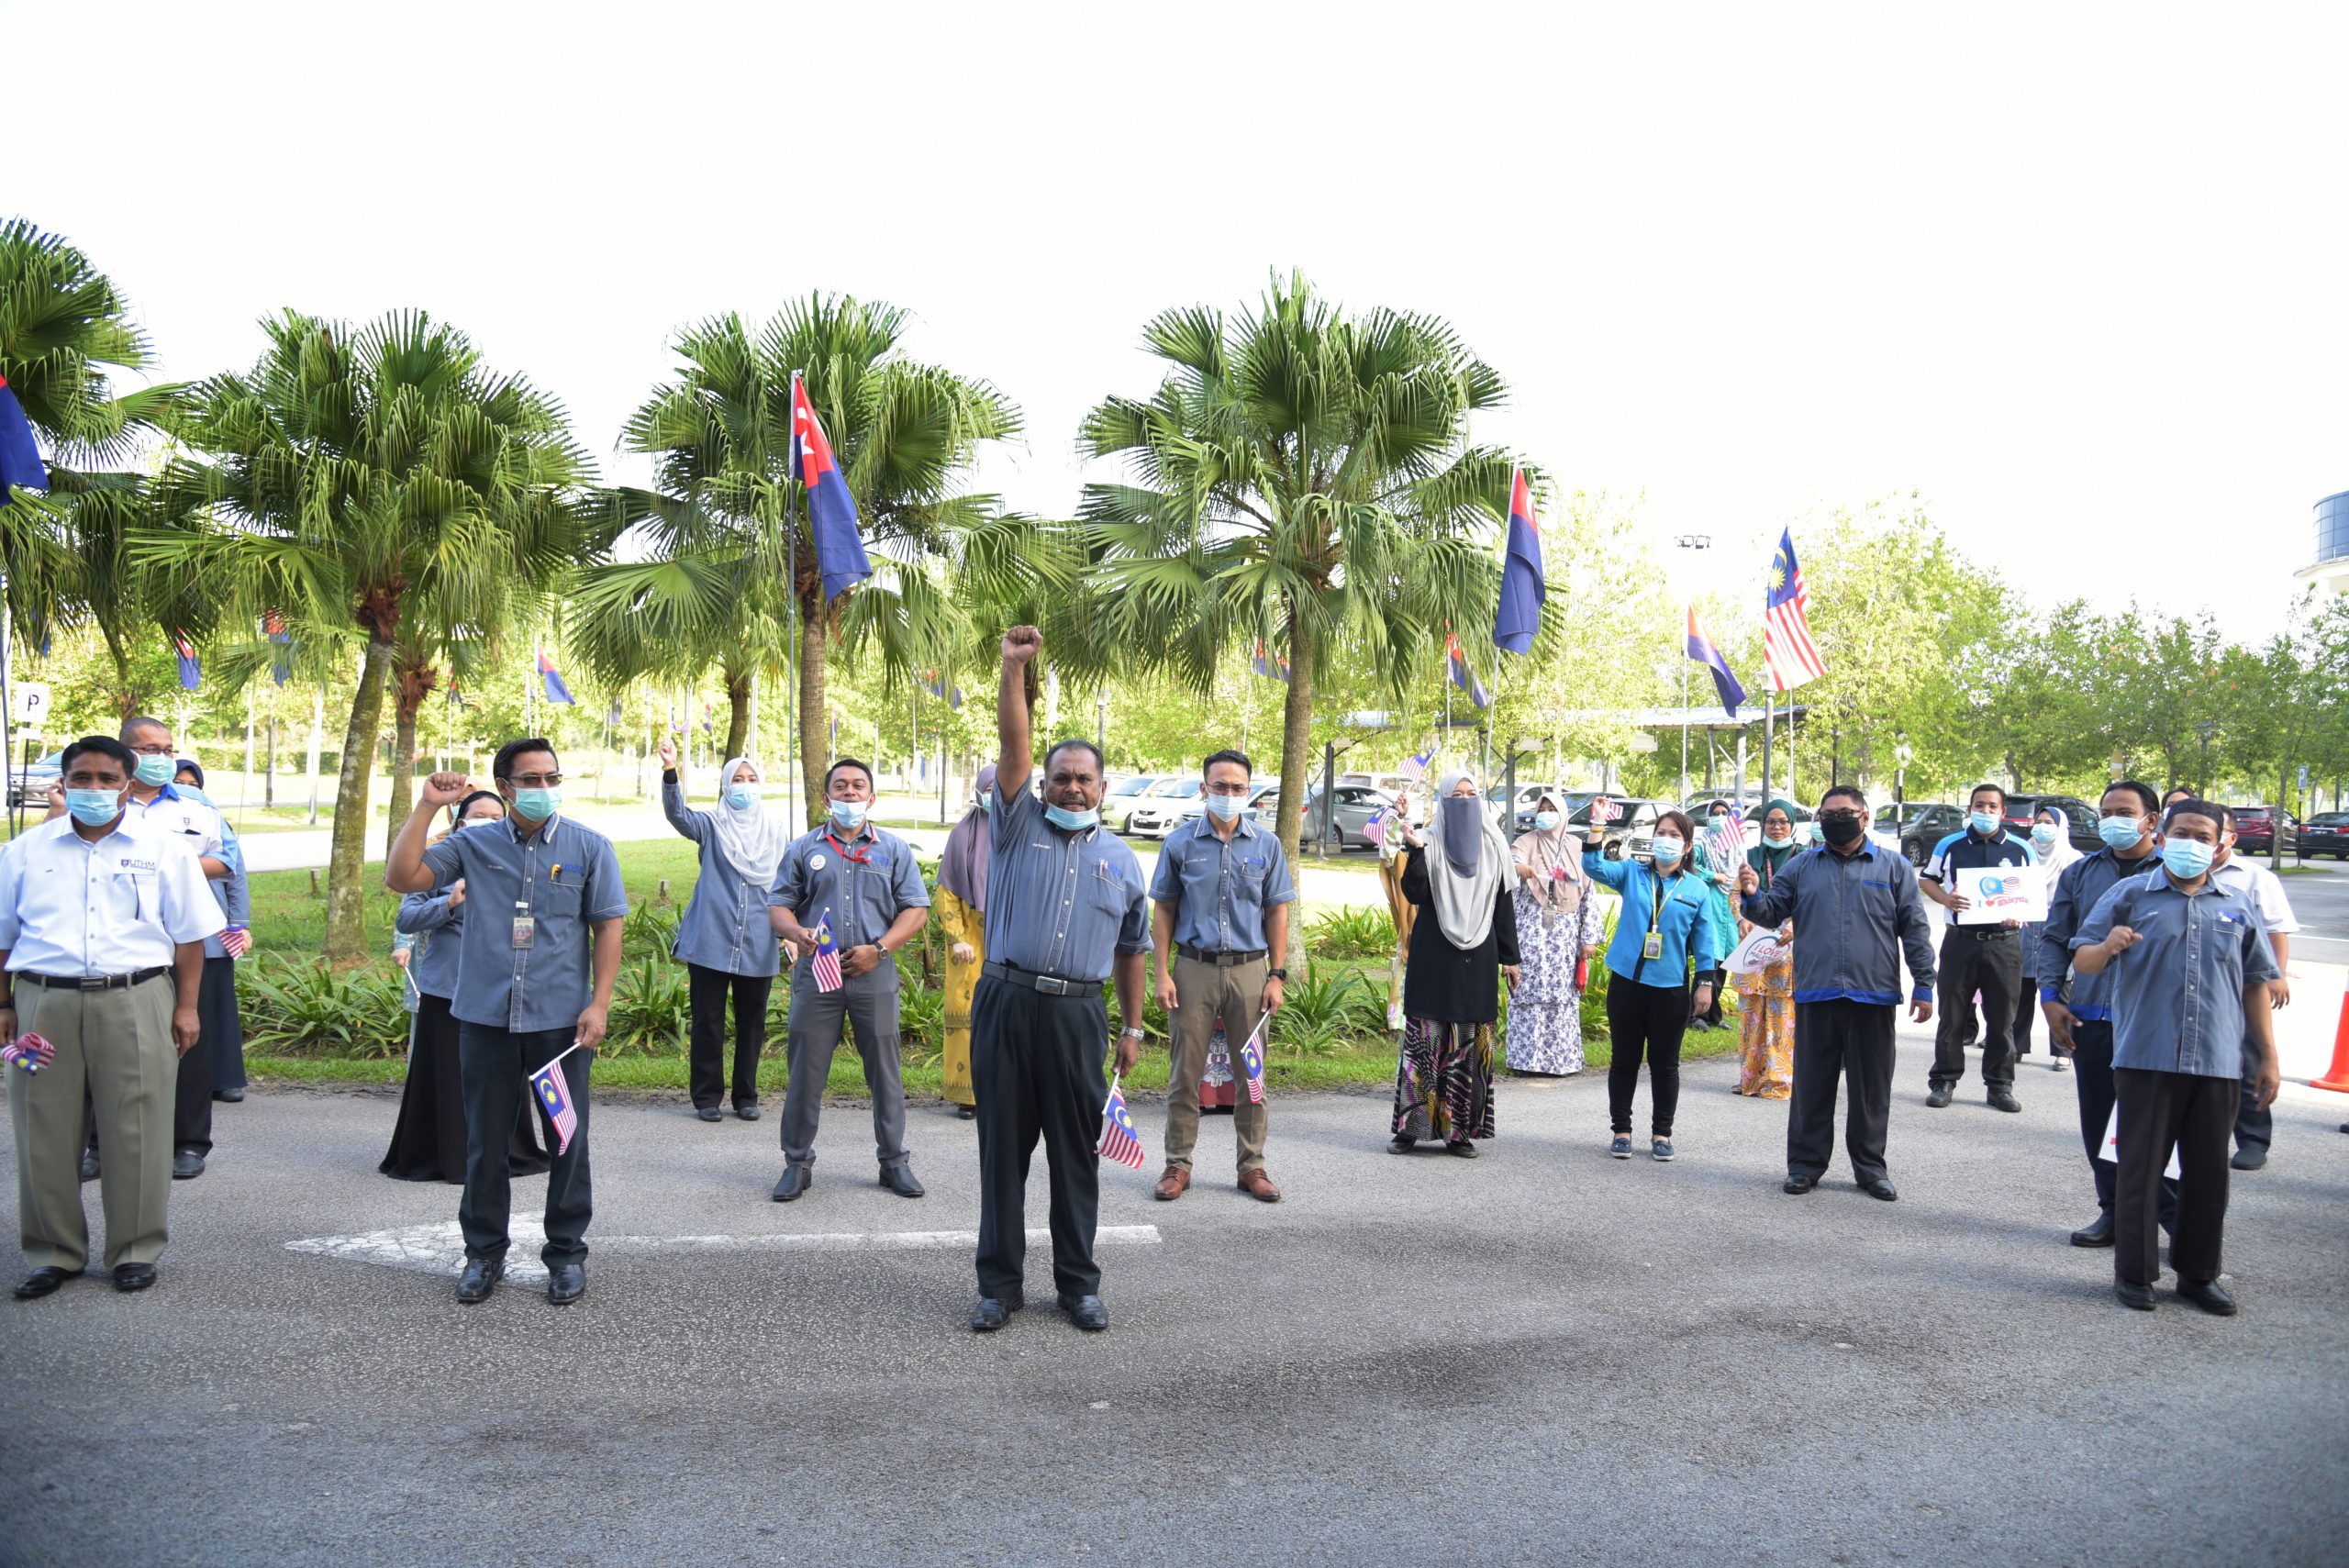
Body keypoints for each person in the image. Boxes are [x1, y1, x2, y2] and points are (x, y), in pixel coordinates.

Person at [385, 741, 628, 1307]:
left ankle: (566, 1254)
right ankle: (483, 1253)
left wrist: (600, 1004)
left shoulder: (588, 846)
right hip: (486, 1019)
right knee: (484, 1142)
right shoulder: (471, 842)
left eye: (552, 777)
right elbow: (404, 879)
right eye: (531, 779)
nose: (544, 788)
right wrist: (425, 808)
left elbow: (608, 926)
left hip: (558, 1026)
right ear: (505, 784)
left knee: (566, 1138)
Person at [968, 626, 1150, 1334]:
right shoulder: (1014, 825)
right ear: (1040, 785)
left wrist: (1132, 1026)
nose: (1072, 785)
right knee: (1002, 1158)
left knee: (1077, 1158)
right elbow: (1014, 745)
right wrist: (1013, 669)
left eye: (1085, 777)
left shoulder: (1124, 862)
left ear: (1103, 787)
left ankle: (1077, 1283)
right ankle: (999, 1285)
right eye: (1061, 776)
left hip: (1079, 1018)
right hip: (1007, 1005)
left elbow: (1132, 949)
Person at [4, 736, 223, 1297]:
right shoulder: (26, 851)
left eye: (107, 779)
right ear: (64, 782)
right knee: (41, 1129)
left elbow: (190, 938)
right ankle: (54, 1253)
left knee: (140, 1127)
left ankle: (134, 1249)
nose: (94, 789)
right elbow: (4, 940)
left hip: (136, 999)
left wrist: (187, 1007)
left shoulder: (164, 848)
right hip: (40, 1005)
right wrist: (5, 1005)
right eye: (82, 778)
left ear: (129, 783)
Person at [2072, 798, 2279, 1314]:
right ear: (2162, 838)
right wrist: (2109, 946)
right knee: (2140, 1169)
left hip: (2217, 1060)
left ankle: (2198, 1274)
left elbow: (2255, 984)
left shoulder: (2235, 904)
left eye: (2203, 836)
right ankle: (2135, 1276)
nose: (2192, 843)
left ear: (2221, 845)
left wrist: (2269, 1057)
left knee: (2209, 1175)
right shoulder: (2130, 895)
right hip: (2146, 1055)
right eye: (2182, 833)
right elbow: (2084, 957)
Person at [1737, 784, 1936, 1200]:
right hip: (1817, 992)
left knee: (1871, 1088)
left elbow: (1914, 928)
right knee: (1812, 1085)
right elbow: (1771, 913)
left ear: (1864, 817)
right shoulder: (1803, 867)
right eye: (1827, 814)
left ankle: (1871, 1169)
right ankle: (1805, 1166)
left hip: (1874, 994)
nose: (1834, 820)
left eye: (1844, 812)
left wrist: (1924, 982)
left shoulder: (1894, 868)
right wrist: (1753, 895)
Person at [764, 757, 931, 1202]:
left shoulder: (892, 850)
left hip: (873, 974)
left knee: (886, 1073)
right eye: (841, 787)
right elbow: (778, 905)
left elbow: (916, 910)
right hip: (816, 976)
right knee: (805, 1073)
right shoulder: (804, 849)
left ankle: (893, 1162)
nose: (850, 793)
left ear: (871, 798)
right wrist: (795, 932)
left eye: (859, 786)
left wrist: (880, 950)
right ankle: (796, 1164)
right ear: (827, 798)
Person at [379, 791, 551, 1184]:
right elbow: (407, 918)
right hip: (449, 989)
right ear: (460, 823)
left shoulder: (522, 861)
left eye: (496, 816)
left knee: (500, 1074)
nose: (488, 822)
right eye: (478, 816)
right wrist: (448, 904)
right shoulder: (440, 860)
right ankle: (444, 1155)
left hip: (503, 986)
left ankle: (508, 1151)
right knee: (448, 1074)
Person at [1149, 749, 1296, 1204]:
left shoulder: (1266, 846)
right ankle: (1177, 1165)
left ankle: (1252, 1167)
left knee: (1251, 1074)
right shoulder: (1179, 844)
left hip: (1251, 972)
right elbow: (1164, 911)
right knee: (1184, 1073)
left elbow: (1277, 912)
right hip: (1193, 968)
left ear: (1248, 791)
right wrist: (1161, 973)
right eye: (1220, 786)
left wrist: (1277, 975)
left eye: (1237, 788)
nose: (1228, 794)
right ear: (1204, 788)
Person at [2036, 781, 2168, 1247]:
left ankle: (2169, 1216)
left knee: (2160, 1123)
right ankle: (2113, 1210)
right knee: (2099, 1117)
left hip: (2153, 1021)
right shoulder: (2080, 873)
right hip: (2092, 1013)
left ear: (2151, 820)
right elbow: (2055, 937)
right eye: (2106, 811)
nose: (2112, 819)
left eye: (2124, 811)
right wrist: (2050, 996)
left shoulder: (2171, 873)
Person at [1390, 772, 1519, 1158]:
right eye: (1455, 795)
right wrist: (1414, 849)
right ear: (1443, 801)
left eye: (1471, 794)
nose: (1464, 801)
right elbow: (1413, 893)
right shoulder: (1429, 841)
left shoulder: (1495, 847)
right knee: (1424, 1040)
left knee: (1467, 1042)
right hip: (1434, 956)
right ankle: (1411, 1129)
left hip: (1477, 960)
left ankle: (1460, 1133)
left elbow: (1503, 906)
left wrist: (1511, 958)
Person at [658, 740, 787, 1124]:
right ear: (726, 786)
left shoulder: (777, 832)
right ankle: (707, 1097)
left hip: (758, 940)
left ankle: (746, 1096)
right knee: (707, 1020)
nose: (744, 786)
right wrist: (670, 771)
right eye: (737, 779)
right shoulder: (712, 826)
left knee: (753, 1023)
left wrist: (791, 933)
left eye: (751, 778)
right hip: (711, 938)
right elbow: (678, 815)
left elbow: (787, 887)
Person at [1582, 809, 1719, 1161]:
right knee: (1624, 1060)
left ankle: (1662, 1133)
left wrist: (1705, 984)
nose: (1666, 839)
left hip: (1670, 988)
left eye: (1674, 835)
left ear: (1687, 846)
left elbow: (1706, 942)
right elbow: (1594, 867)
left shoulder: (1696, 889)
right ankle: (1622, 1131)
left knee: (1665, 1063)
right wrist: (1598, 826)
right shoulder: (1632, 873)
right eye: (1662, 832)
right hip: (1627, 982)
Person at [1917, 782, 2033, 1113]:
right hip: (1961, 942)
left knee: (2002, 1019)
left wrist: (2019, 915)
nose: (1985, 812)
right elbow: (1927, 879)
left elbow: (2033, 895)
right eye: (1979, 806)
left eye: (1992, 806)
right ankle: (1944, 1080)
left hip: (2004, 945)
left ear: (2003, 812)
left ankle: (2000, 1086)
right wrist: (1945, 898)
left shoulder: (2021, 849)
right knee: (1952, 1016)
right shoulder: (1950, 844)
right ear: (1969, 810)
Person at [2209, 806, 2299, 1172]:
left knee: (2248, 1062)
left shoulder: (2255, 877)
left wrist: (2276, 973)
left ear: (2230, 837)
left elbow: (2275, 929)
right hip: (2191, 985)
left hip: (2241, 983)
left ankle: (2253, 1138)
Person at [171, 759, 254, 1104]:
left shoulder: (214, 821)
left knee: (217, 1007)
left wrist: (239, 923)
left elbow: (236, 877)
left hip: (214, 933)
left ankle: (224, 1077)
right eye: (179, 781)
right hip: (169, 934)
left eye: (193, 783)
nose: (187, 787)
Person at [1503, 790, 1602, 1077]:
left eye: (1552, 808)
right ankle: (1527, 1062)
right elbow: (1509, 861)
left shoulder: (1575, 846)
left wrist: (1589, 938)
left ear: (1562, 813)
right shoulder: (1525, 842)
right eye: (1542, 808)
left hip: (1565, 935)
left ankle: (1562, 1062)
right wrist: (1518, 867)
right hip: (1531, 931)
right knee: (1528, 992)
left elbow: (1588, 893)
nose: (1546, 813)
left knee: (1561, 994)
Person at [933, 765, 997, 1121]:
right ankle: (967, 1096)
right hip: (970, 939)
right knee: (966, 1015)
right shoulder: (962, 834)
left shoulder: (1023, 832)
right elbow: (947, 893)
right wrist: (957, 937)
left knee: (1008, 1018)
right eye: (988, 787)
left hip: (1010, 938)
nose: (994, 793)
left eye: (1000, 787)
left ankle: (1004, 1091)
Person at [1734, 800, 1802, 1100]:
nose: (1776, 828)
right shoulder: (1750, 856)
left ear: (1792, 825)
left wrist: (1797, 926)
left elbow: (1814, 899)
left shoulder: (1804, 858)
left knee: (1781, 1015)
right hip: (1754, 945)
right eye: (1771, 822)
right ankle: (1750, 1078)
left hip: (1787, 947)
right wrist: (1740, 919)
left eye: (1783, 822)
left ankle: (1779, 1079)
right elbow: (1735, 893)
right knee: (1751, 1015)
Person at [2014, 805, 2081, 1074]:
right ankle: (2016, 1046)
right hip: (2025, 924)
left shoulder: (2073, 859)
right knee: (2020, 990)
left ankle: (2062, 1051)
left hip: (2058, 925)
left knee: (2059, 992)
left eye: (2048, 822)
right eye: (2038, 821)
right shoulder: (2023, 853)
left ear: (2061, 828)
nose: (2041, 827)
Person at [1689, 802, 1741, 1030]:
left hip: (1730, 911)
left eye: (1724, 813)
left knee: (1723, 964)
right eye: (1715, 814)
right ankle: (1696, 1015)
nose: (1720, 817)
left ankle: (1714, 1015)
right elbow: (1691, 865)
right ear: (1708, 817)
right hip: (1710, 907)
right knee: (1708, 961)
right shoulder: (1701, 843)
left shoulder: (1737, 846)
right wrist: (1712, 875)